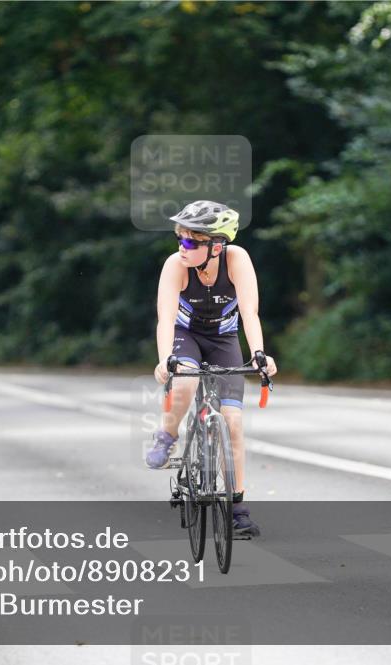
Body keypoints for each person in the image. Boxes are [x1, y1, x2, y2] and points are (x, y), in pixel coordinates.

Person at [148, 200, 277, 537]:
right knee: (186, 384)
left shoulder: (238, 260)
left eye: (190, 241)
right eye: (180, 239)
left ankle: (237, 511)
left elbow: (250, 313)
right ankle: (168, 433)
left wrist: (260, 353)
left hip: (223, 339)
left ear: (217, 245)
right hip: (184, 335)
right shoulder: (175, 265)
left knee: (233, 423)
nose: (182, 247)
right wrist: (165, 360)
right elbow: (165, 318)